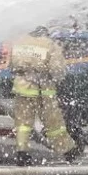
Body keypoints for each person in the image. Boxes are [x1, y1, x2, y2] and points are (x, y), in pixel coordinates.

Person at [8, 26, 80, 166]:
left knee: (22, 123)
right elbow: (57, 70)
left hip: (22, 87)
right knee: (53, 123)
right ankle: (67, 151)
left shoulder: (19, 42)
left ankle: (22, 152)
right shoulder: (50, 45)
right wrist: (56, 79)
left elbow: (12, 66)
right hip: (43, 90)